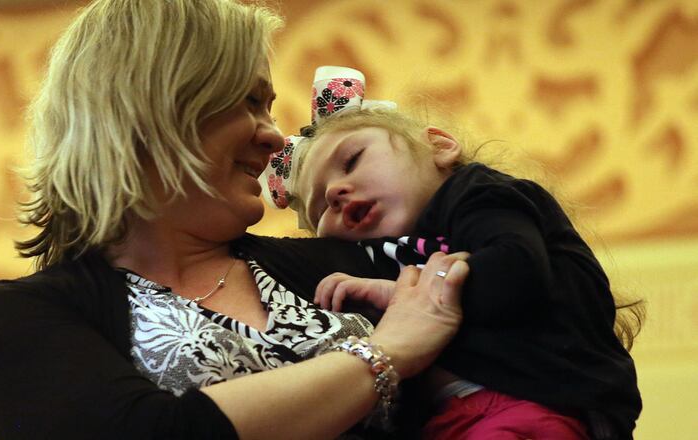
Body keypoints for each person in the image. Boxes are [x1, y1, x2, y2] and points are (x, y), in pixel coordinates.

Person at [0, 3, 470, 439]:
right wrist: (385, 354)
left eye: (269, 110)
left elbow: (517, 258)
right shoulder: (13, 322)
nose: (274, 137)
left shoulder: (336, 262)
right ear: (152, 106)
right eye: (248, 102)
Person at [261, 66, 643, 439]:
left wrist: (399, 295)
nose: (334, 192)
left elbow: (516, 269)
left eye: (352, 160)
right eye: (319, 211)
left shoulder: (479, 194)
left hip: (533, 400)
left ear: (439, 147)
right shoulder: (379, 255)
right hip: (455, 419)